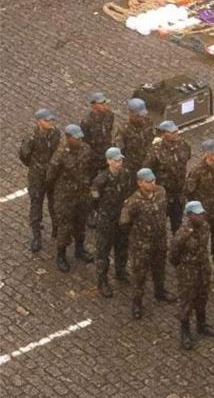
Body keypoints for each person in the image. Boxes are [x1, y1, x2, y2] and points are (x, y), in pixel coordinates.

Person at [120, 168, 177, 320]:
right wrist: (138, 235)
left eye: (153, 180)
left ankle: (160, 291)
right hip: (141, 244)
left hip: (159, 240)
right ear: (139, 183)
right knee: (139, 275)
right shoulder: (133, 202)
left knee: (159, 268)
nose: (152, 183)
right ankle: (137, 303)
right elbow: (124, 223)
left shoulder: (161, 192)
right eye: (148, 181)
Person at [170, 201, 214, 350]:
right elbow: (173, 255)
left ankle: (201, 324)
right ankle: (185, 331)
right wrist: (183, 267)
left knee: (202, 296)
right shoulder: (183, 234)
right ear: (190, 215)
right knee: (186, 300)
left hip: (203, 267)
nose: (202, 216)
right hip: (188, 271)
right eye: (198, 214)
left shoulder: (205, 227)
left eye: (202, 213)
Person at [46, 124, 92, 272]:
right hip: (65, 196)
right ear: (67, 137)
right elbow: (50, 176)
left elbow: (88, 168)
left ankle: (79, 250)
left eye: (80, 138)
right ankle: (61, 255)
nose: (79, 140)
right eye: (75, 138)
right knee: (65, 227)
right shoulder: (60, 154)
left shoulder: (86, 149)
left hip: (82, 194)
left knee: (81, 223)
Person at [90, 147, 132, 297]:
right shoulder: (101, 180)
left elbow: (128, 192)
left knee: (122, 247)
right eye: (116, 160)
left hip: (121, 219)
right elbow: (94, 200)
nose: (119, 163)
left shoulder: (125, 174)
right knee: (103, 252)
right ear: (108, 161)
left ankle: (121, 272)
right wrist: (102, 213)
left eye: (120, 160)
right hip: (106, 220)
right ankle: (102, 281)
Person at [184, 139, 214, 278]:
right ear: (206, 153)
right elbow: (189, 192)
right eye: (213, 153)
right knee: (201, 241)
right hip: (203, 213)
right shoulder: (197, 171)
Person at [19, 108, 59, 252]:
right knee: (36, 205)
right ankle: (37, 236)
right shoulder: (31, 137)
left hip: (52, 175)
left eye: (50, 120)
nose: (50, 123)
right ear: (39, 122)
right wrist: (36, 166)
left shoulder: (55, 133)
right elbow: (24, 155)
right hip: (37, 177)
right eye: (46, 121)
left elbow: (56, 150)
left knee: (54, 202)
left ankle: (56, 228)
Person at [145, 120, 191, 233]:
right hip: (163, 195)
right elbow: (147, 170)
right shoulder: (155, 150)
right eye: (172, 132)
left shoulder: (184, 144)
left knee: (178, 224)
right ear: (164, 134)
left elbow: (187, 158)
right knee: (158, 225)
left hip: (178, 194)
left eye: (176, 131)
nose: (176, 134)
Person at [80, 92, 115, 182]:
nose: (104, 105)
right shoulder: (87, 122)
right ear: (93, 105)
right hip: (94, 156)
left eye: (104, 103)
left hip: (107, 152)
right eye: (101, 103)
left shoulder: (109, 115)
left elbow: (109, 130)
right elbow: (85, 141)